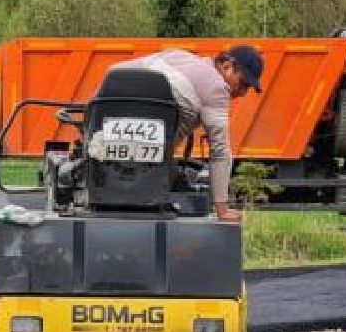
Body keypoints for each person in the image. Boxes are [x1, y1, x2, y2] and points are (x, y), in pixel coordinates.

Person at [102, 45, 265, 222]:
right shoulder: (218, 89)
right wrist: (222, 209)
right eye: (243, 84)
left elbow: (114, 71)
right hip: (147, 169)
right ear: (227, 66)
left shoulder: (176, 55)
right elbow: (220, 152)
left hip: (109, 148)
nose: (242, 93)